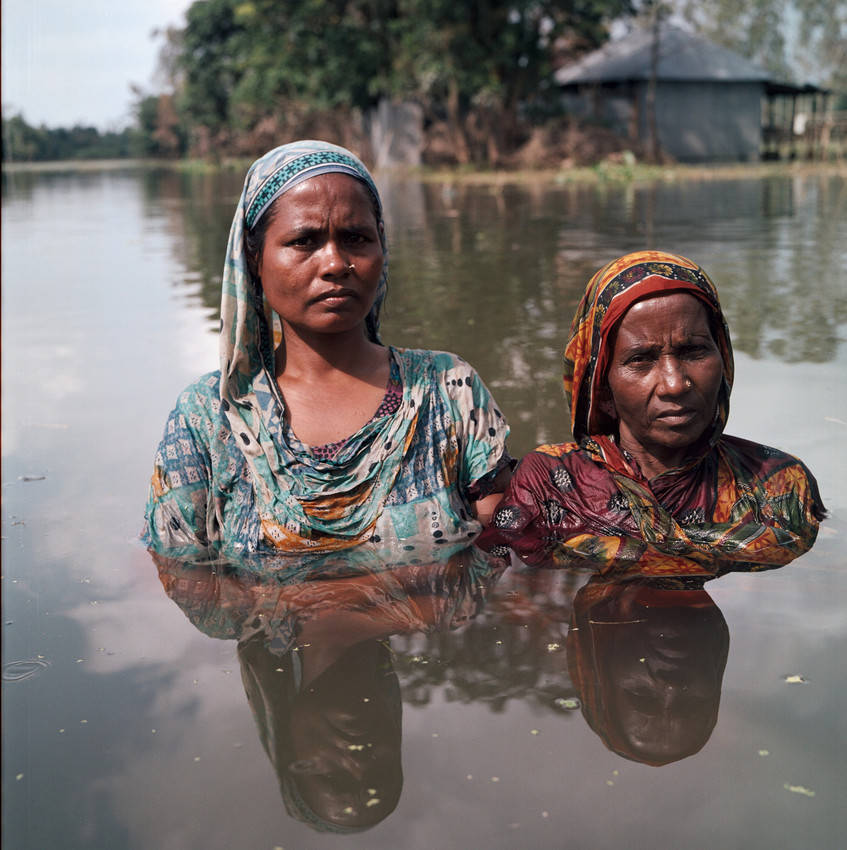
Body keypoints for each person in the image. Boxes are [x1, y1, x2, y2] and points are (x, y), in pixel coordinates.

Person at [144, 140, 511, 557]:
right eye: (305, 241)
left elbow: (504, 553)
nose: (336, 263)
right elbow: (179, 573)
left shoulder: (447, 389)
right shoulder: (209, 416)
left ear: (381, 247)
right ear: (254, 256)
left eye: (356, 238)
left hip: (421, 627)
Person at [482, 250, 825, 578]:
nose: (675, 384)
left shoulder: (777, 484)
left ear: (723, 361)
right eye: (641, 360)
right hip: (607, 633)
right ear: (601, 388)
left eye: (694, 351)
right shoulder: (550, 484)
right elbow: (506, 577)